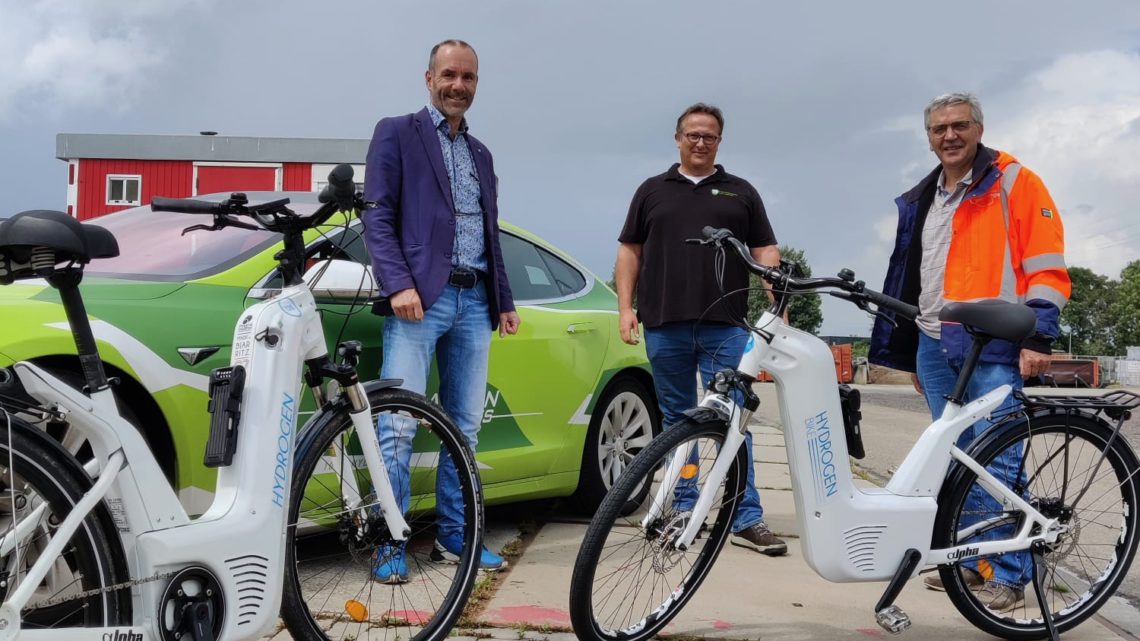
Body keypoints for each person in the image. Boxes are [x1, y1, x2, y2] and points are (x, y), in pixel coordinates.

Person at [869, 92, 1070, 610]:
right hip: (936, 343)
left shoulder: (1013, 181)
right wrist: (912, 346)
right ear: (929, 137)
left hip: (995, 343)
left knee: (997, 458)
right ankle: (978, 560)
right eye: (939, 129)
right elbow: (915, 277)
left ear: (978, 129)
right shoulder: (924, 195)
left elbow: (1045, 262)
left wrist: (1038, 335)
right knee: (959, 458)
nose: (949, 136)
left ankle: (1008, 571)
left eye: (959, 125)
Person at [362, 39, 521, 584]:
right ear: (428, 78)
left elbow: (487, 231)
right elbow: (377, 216)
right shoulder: (397, 132)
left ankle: (456, 539)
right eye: (449, 74)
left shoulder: (482, 155)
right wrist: (399, 284)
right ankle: (390, 541)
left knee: (465, 429)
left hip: (474, 301)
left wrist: (502, 298)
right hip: (417, 303)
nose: (459, 85)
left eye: (469, 78)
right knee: (397, 428)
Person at [615, 103, 788, 556]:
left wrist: (777, 299)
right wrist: (625, 309)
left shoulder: (741, 192)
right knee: (676, 423)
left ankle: (745, 517)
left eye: (709, 136)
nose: (700, 142)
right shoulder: (652, 191)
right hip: (664, 324)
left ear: (719, 141)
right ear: (677, 138)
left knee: (734, 421)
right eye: (692, 134)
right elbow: (630, 252)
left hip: (725, 327)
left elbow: (765, 249)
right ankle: (682, 507)